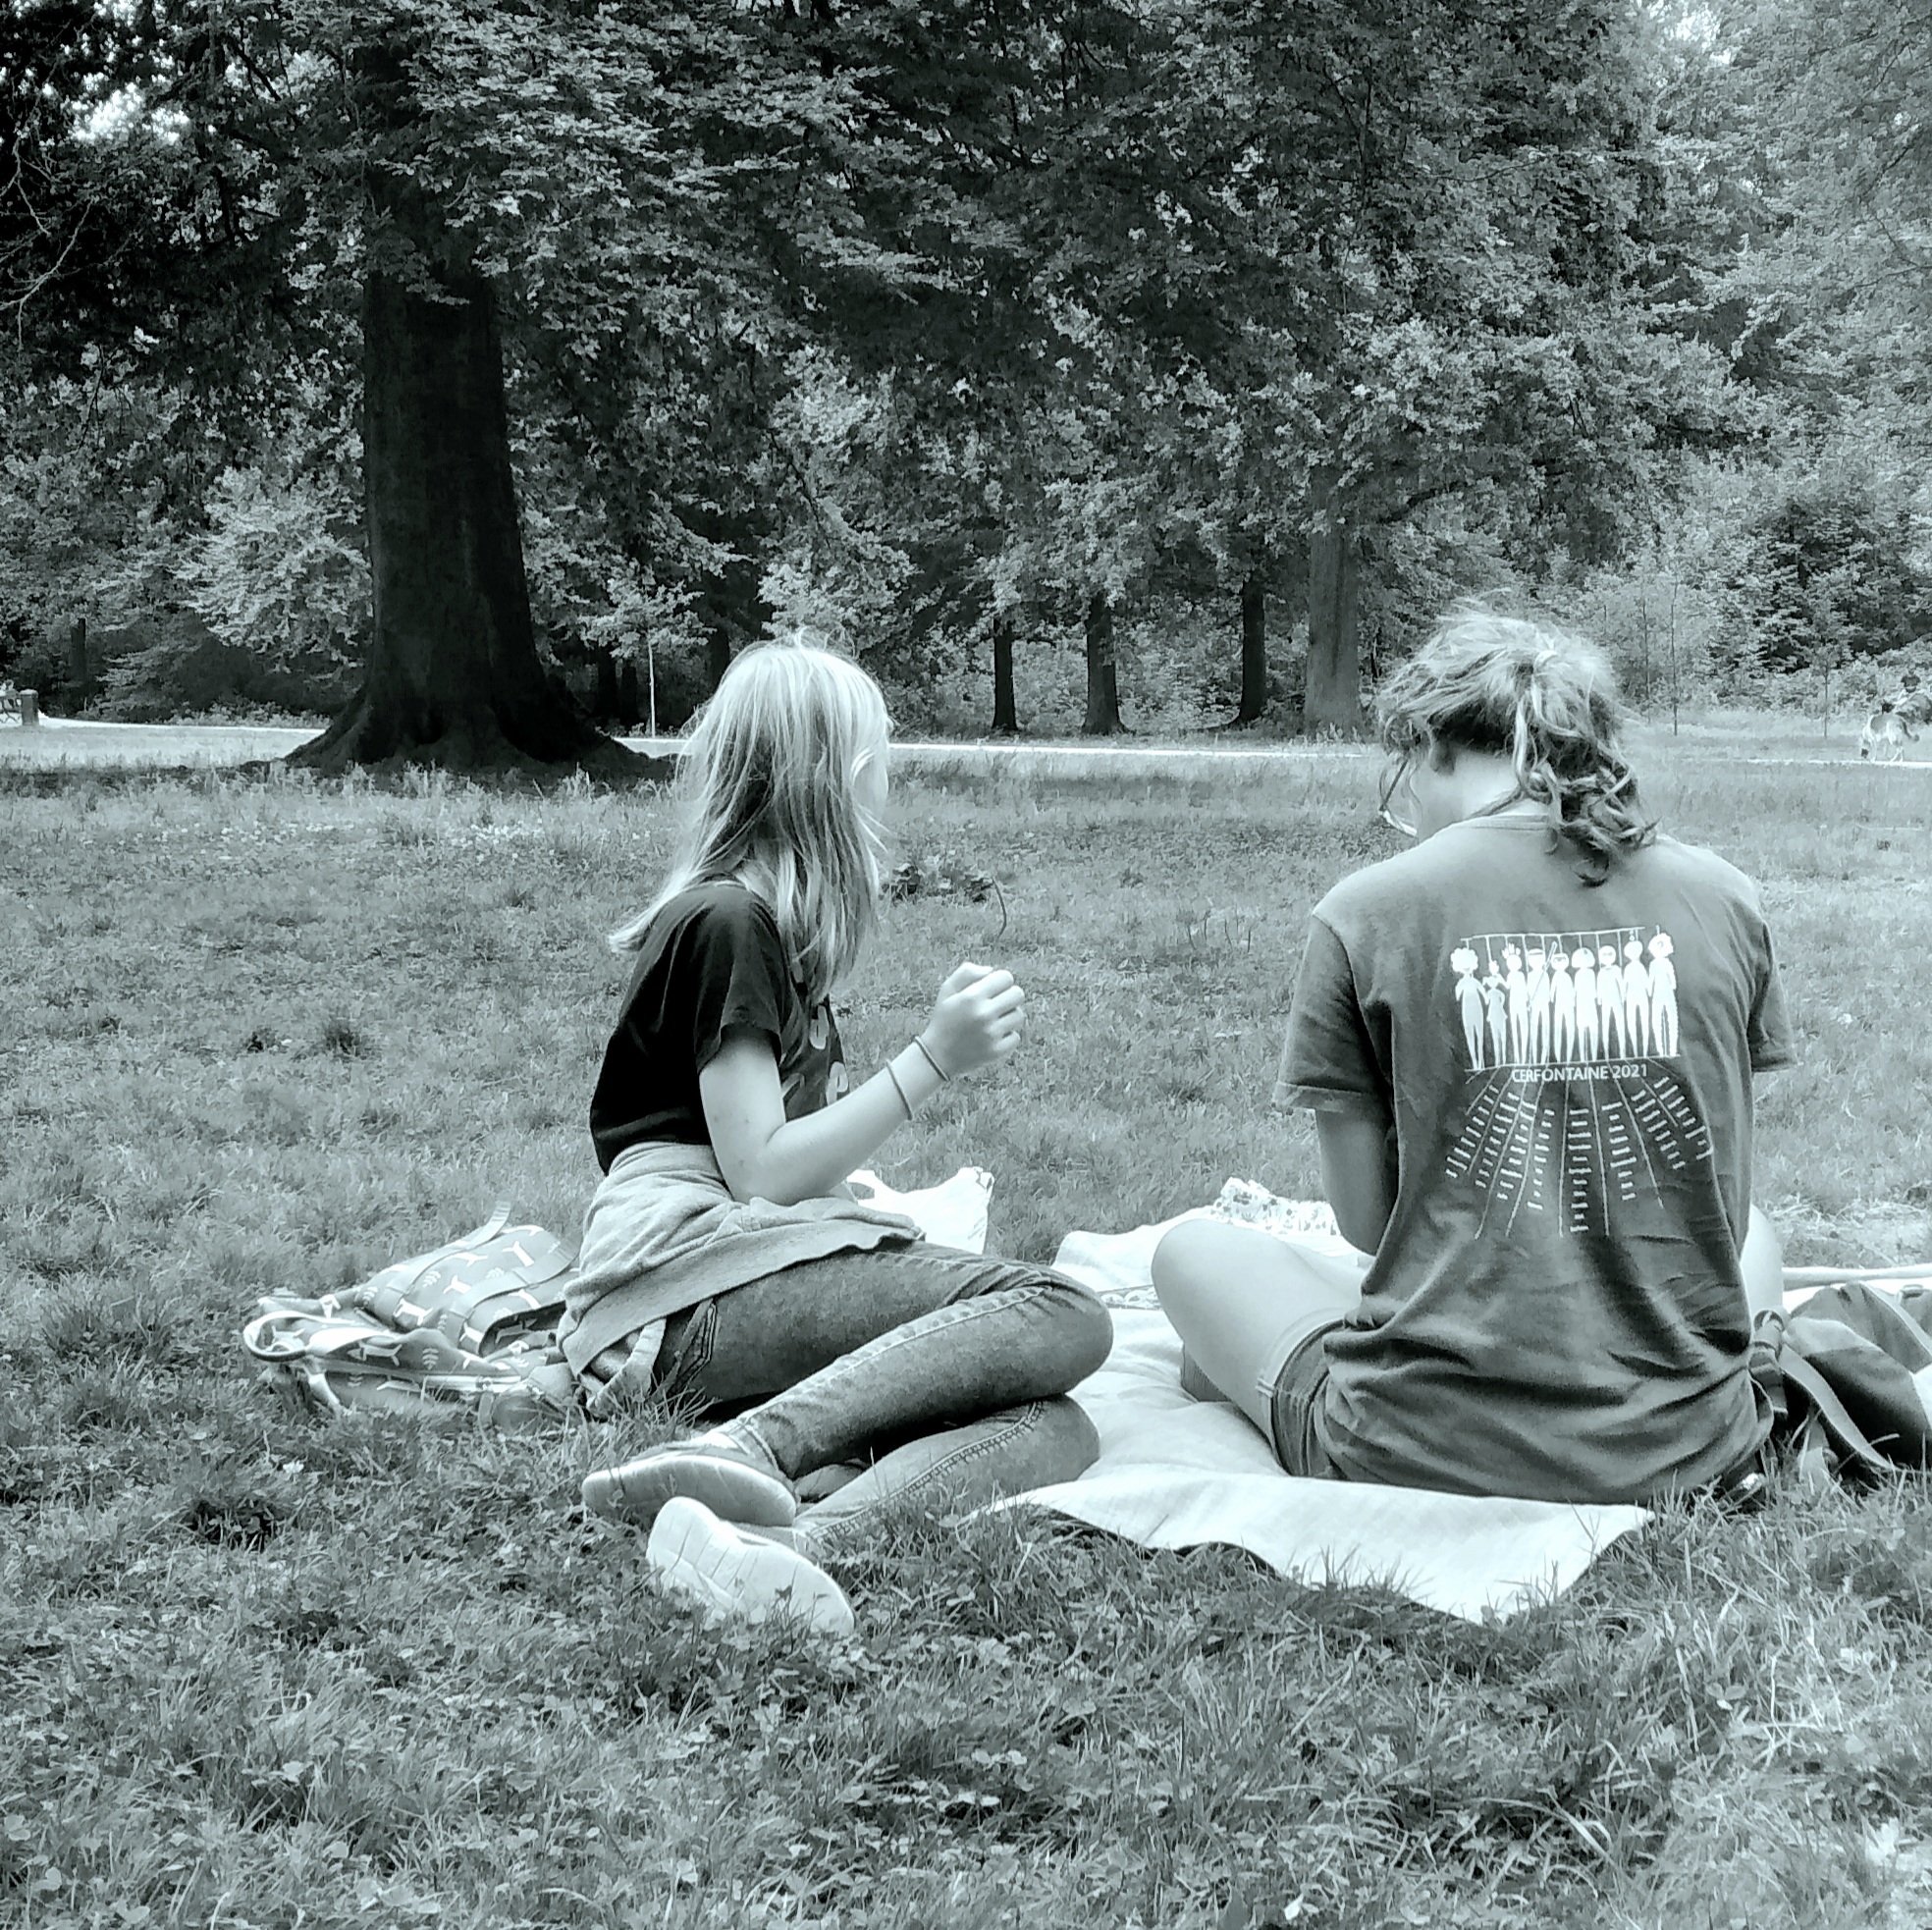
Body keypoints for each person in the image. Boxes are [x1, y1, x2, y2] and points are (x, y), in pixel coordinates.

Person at [1153, 609, 1792, 1507]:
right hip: (1685, 1451)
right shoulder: (1724, 898)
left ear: (1427, 746)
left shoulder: (1367, 912)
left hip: (1417, 1444)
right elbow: (1721, 1205)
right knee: (1759, 1229)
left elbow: (1369, 1225)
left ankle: (1259, 1376)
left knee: (1191, 1254)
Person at [567, 642, 1111, 1635]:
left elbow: (783, 1169)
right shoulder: (728, 923)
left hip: (726, 1282)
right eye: (877, 756)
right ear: (831, 777)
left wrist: (862, 1219)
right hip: (681, 1292)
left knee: (1056, 1421)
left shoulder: (771, 934)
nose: (887, 782)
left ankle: (786, 1546)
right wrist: (933, 1058)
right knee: (1061, 1311)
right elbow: (760, 1172)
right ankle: (748, 1449)